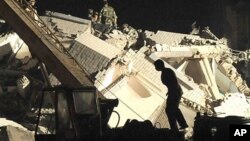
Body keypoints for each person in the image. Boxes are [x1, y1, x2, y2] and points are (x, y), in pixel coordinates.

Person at [154, 59, 188, 132]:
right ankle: (176, 127)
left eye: (156, 66)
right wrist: (169, 92)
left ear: (159, 65)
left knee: (172, 109)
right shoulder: (165, 71)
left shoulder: (167, 71)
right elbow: (171, 84)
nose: (155, 68)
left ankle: (181, 125)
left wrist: (173, 93)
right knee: (170, 110)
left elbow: (174, 83)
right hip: (173, 92)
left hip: (175, 92)